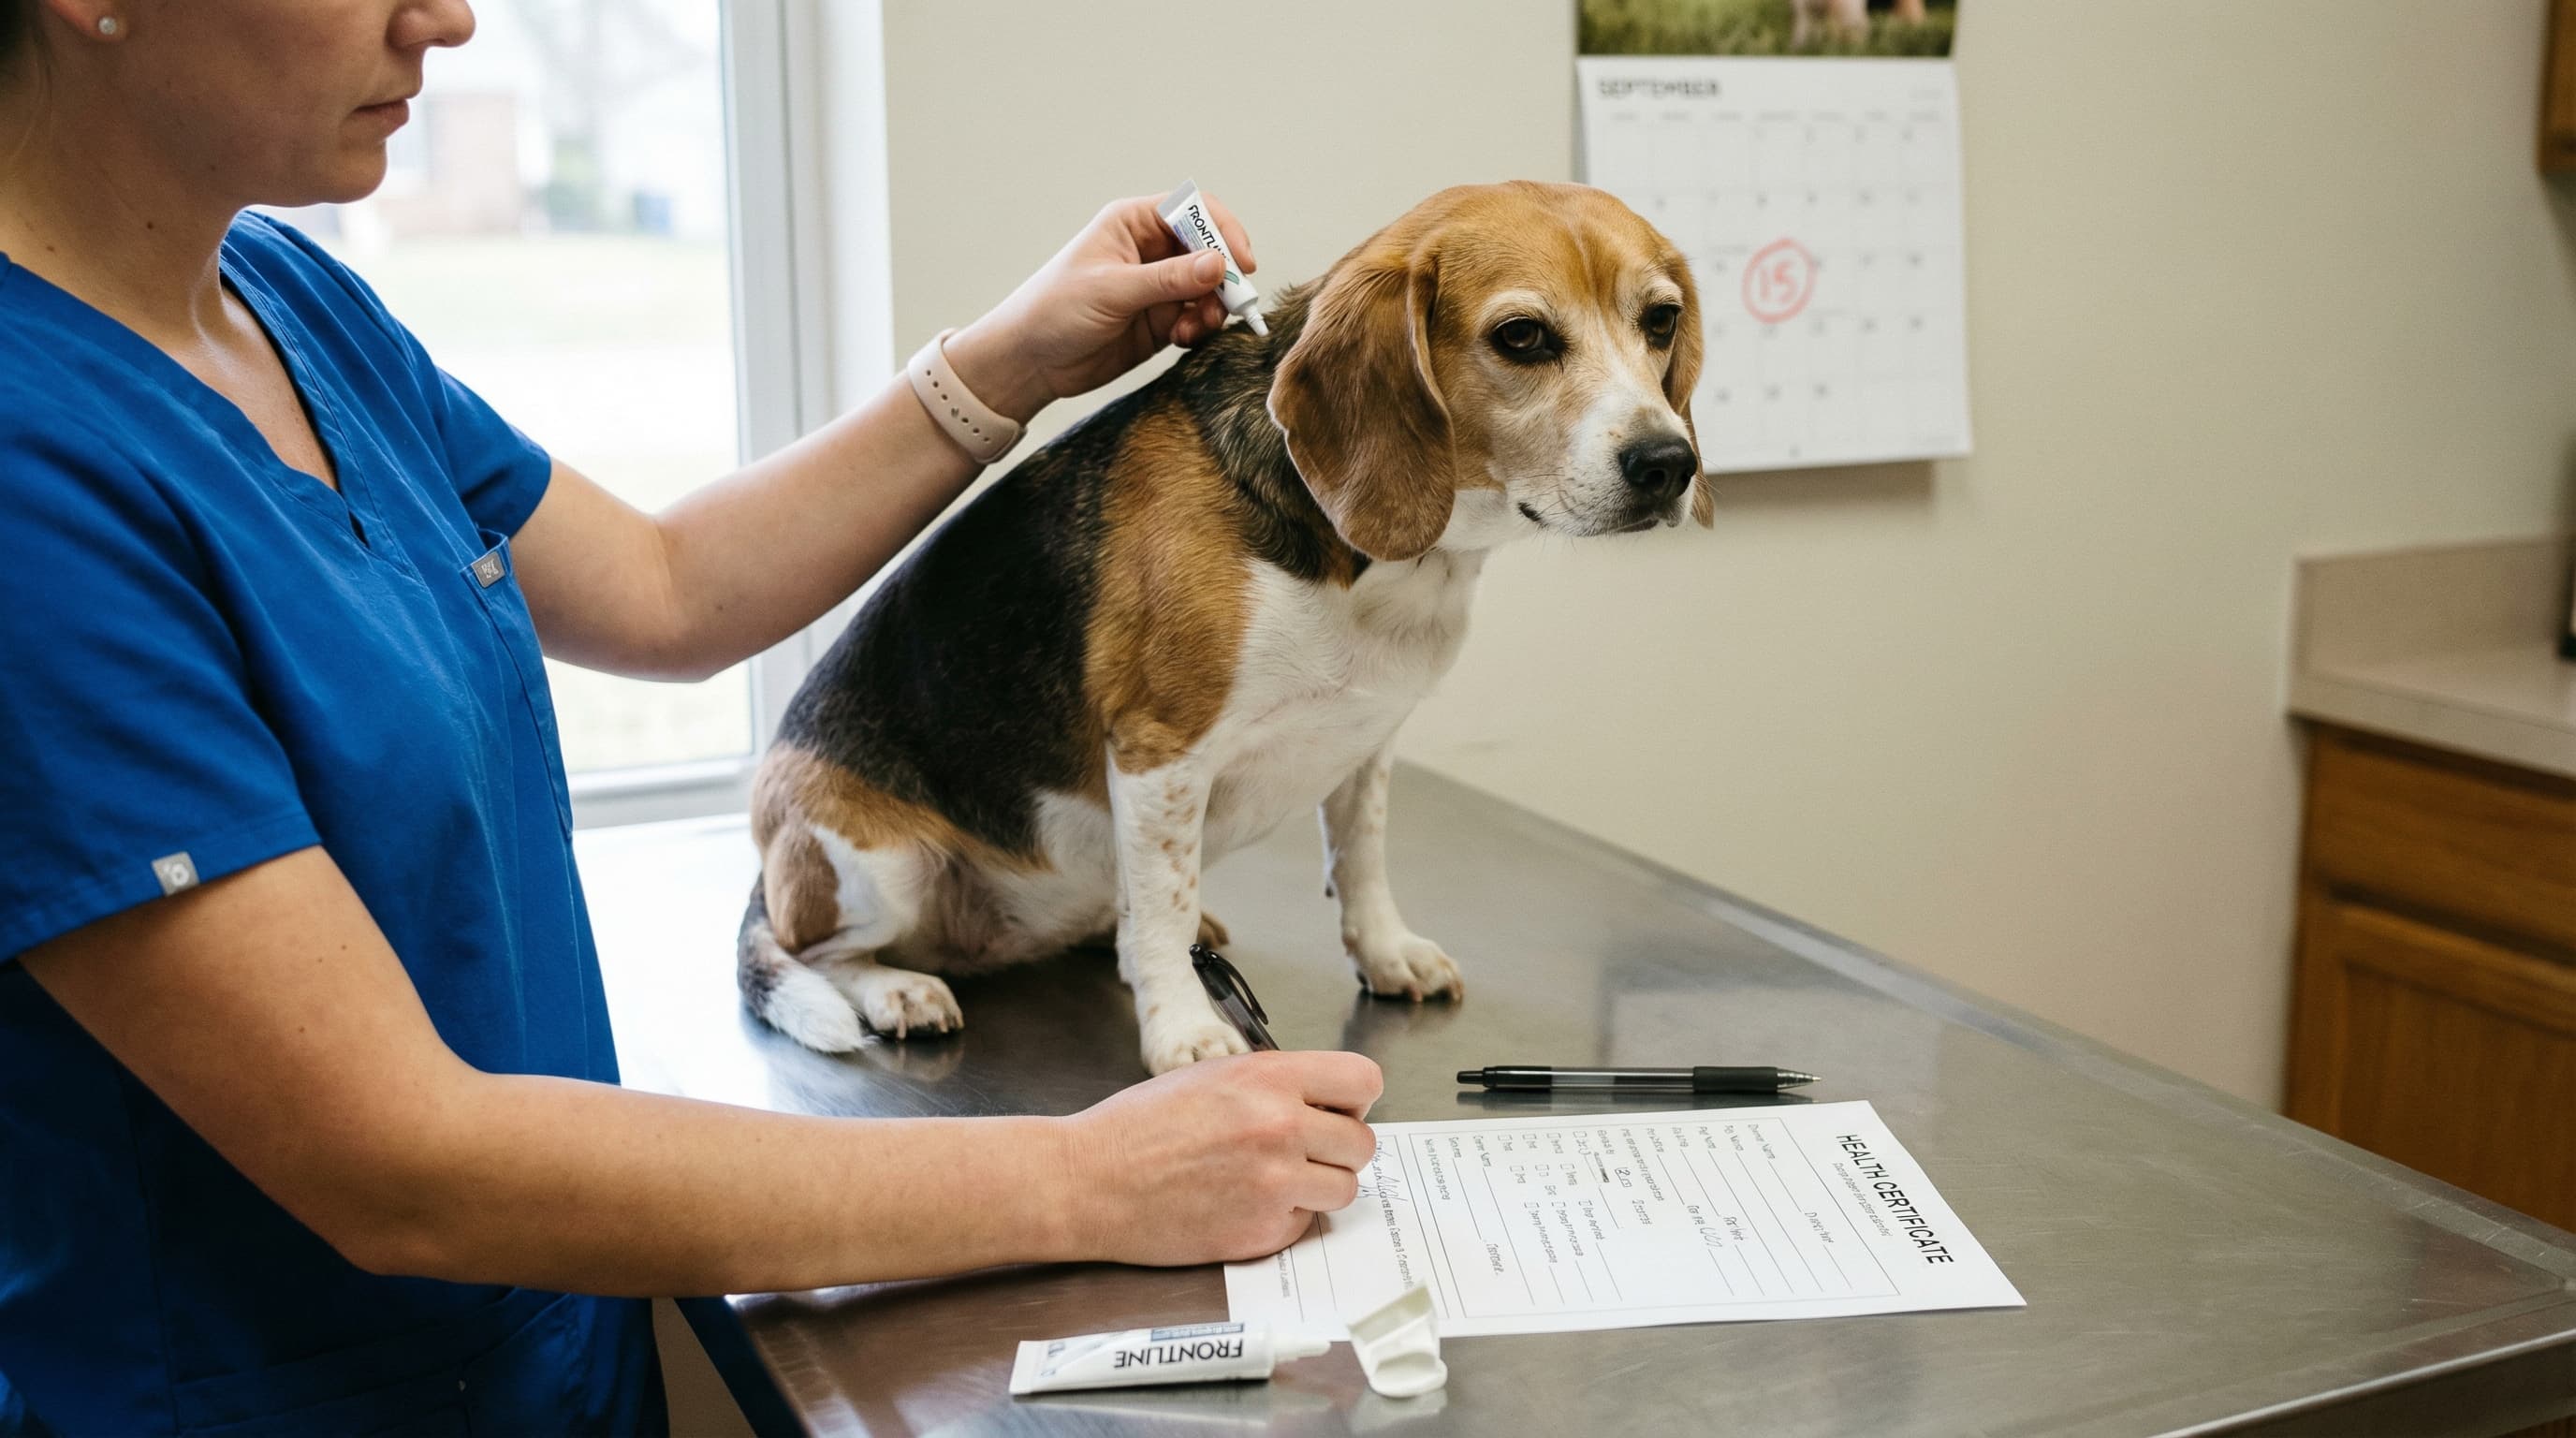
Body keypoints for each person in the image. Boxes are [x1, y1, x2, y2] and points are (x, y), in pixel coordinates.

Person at [0, 1, 1383, 1432]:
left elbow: (669, 589)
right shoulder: (26, 478)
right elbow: (388, 1160)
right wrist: (1088, 1180)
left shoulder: (289, 304)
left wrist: (1014, 359)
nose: (450, 17)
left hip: (535, 1365)